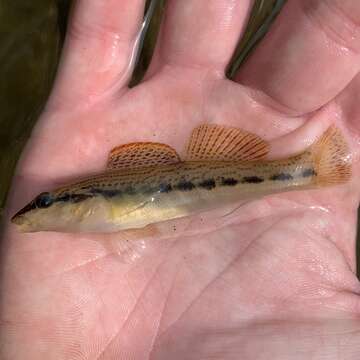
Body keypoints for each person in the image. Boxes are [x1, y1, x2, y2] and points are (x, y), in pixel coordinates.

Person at [1, 0, 360, 358]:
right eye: (42, 201)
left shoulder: (96, 203)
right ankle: (309, 171)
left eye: (46, 201)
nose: (36, 207)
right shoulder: (90, 211)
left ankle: (309, 171)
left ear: (80, 200)